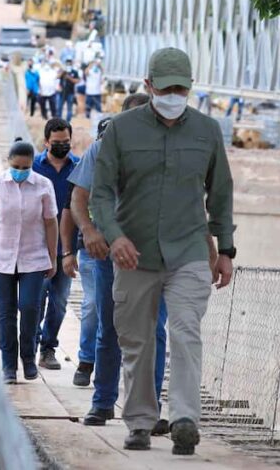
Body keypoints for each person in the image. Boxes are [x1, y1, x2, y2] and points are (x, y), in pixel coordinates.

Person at [91, 47, 235, 455]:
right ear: (148, 85)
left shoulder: (208, 132)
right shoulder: (120, 130)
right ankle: (138, 421)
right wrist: (114, 235)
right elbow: (101, 194)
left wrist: (225, 250)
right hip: (134, 253)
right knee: (136, 339)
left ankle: (185, 419)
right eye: (166, 87)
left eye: (181, 88)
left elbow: (220, 193)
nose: (174, 95)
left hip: (189, 249)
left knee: (185, 331)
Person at [63, 95, 186, 436]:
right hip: (109, 254)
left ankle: (150, 411)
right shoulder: (103, 149)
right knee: (111, 327)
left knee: (154, 332)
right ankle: (103, 402)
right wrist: (87, 231)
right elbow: (79, 196)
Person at [0, 138, 59, 384]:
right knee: (6, 313)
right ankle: (8, 366)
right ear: (9, 163)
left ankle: (28, 358)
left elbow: (50, 222)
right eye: (16, 166)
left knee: (29, 308)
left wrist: (52, 256)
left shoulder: (43, 186)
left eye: (26, 168)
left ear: (31, 166)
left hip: (34, 259)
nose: (20, 172)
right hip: (1, 258)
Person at [34, 118, 80, 370]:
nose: (62, 146)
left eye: (66, 142)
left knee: (60, 301)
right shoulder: (35, 167)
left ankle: (48, 348)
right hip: (37, 246)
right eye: (56, 143)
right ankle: (30, 342)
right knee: (36, 298)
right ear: (46, 142)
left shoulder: (80, 167)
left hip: (67, 248)